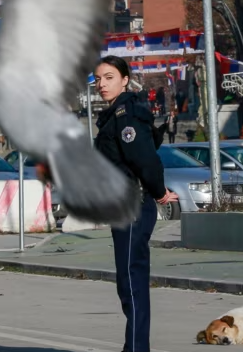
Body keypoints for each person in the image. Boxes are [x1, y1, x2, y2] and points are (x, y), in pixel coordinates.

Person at [93, 55, 178, 352]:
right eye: (98, 79)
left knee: (131, 280)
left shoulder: (125, 115)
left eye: (109, 77)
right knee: (128, 280)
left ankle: (137, 348)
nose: (102, 84)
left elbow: (143, 158)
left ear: (125, 79)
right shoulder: (117, 113)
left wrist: (159, 192)